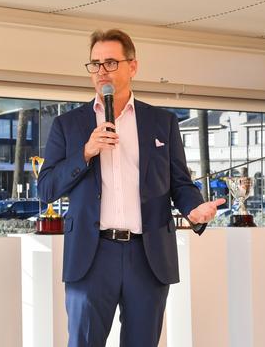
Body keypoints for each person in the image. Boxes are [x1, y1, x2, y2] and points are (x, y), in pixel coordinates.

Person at [37, 29, 225, 347]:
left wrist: (194, 209)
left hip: (148, 255)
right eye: (95, 64)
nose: (101, 71)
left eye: (110, 62)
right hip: (91, 255)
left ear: (133, 66)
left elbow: (179, 182)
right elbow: (46, 189)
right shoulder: (68, 125)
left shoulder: (162, 122)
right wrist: (85, 152)